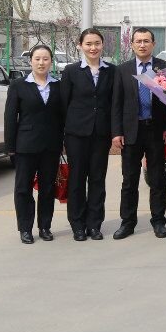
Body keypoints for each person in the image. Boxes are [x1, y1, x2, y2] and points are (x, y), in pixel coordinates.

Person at [110, 27, 166, 240]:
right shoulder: (122, 70)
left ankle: (158, 221)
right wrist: (116, 132)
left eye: (146, 41)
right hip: (130, 132)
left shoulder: (164, 68)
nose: (142, 44)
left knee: (157, 180)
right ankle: (127, 222)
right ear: (132, 44)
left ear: (153, 44)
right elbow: (116, 103)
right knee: (129, 180)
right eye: (138, 41)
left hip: (156, 130)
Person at [4, 44, 65, 244]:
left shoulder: (58, 86)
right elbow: (10, 117)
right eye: (37, 59)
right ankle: (25, 228)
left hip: (51, 146)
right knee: (23, 188)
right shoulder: (18, 85)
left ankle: (45, 226)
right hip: (25, 146)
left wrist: (63, 142)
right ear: (30, 61)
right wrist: (10, 146)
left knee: (47, 188)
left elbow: (62, 117)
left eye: (45, 59)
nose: (41, 63)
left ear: (51, 61)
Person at [61, 28, 116, 241]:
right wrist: (64, 135)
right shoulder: (71, 71)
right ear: (80, 46)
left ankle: (94, 224)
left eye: (97, 43)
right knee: (76, 179)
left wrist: (114, 133)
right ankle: (77, 224)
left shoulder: (112, 71)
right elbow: (63, 105)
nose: (93, 48)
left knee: (97, 180)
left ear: (102, 45)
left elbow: (113, 103)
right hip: (76, 134)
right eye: (88, 44)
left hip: (101, 134)